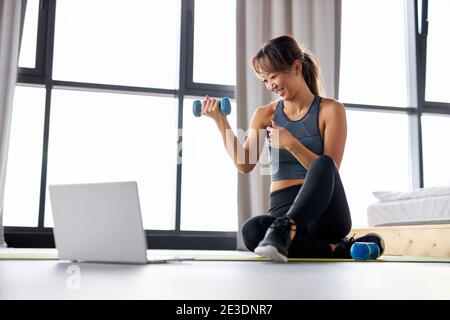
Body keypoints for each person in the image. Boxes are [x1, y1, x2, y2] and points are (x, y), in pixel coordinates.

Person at [200, 35, 384, 262]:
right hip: (281, 210)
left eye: (274, 76)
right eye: (265, 80)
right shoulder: (264, 114)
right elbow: (245, 164)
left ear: (296, 67)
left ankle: (286, 230)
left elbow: (330, 171)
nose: (271, 85)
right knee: (252, 231)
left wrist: (291, 144)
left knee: (324, 163)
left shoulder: (331, 110)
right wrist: (220, 121)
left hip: (324, 216)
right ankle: (338, 249)